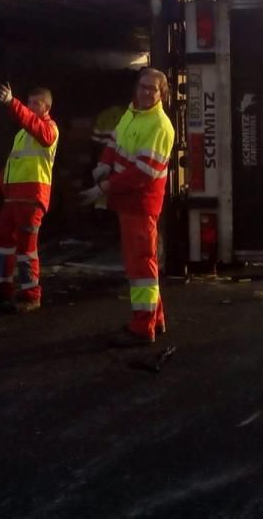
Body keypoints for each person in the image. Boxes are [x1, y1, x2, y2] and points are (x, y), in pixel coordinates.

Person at [80, 68, 176, 347]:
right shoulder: (131, 113)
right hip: (128, 203)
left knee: (142, 267)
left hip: (141, 204)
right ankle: (154, 318)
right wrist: (103, 164)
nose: (146, 92)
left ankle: (142, 326)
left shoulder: (160, 125)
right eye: (143, 86)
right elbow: (114, 141)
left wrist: (103, 187)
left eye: (152, 89)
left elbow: (143, 173)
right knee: (139, 263)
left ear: (162, 94)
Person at [0, 84, 59, 313]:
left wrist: (12, 103)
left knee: (26, 249)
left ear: (47, 107)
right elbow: (11, 164)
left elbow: (39, 131)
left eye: (36, 103)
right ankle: (3, 289)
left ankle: (30, 295)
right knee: (3, 245)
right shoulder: (22, 133)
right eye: (29, 102)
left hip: (31, 197)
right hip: (14, 197)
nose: (30, 106)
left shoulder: (49, 129)